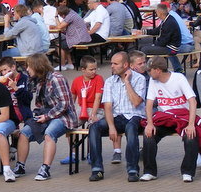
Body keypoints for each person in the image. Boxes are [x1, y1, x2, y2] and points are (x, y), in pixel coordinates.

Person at [14, 53, 79, 181]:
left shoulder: (56, 78)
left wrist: (47, 117)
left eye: (29, 66)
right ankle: (20, 166)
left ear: (38, 66)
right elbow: (35, 100)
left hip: (63, 116)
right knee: (24, 133)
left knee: (49, 133)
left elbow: (64, 104)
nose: (27, 69)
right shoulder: (38, 79)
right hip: (45, 115)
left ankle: (45, 169)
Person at [86, 52, 146, 182]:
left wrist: (127, 82)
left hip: (135, 116)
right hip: (117, 117)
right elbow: (108, 106)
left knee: (131, 127)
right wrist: (112, 127)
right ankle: (97, 169)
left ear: (125, 65)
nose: (111, 66)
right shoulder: (109, 81)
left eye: (115, 63)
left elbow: (136, 102)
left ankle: (132, 169)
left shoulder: (139, 79)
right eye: (111, 63)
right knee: (94, 127)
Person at [141, 56, 199, 182]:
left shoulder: (179, 78)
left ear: (157, 70)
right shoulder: (153, 81)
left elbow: (192, 101)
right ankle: (150, 171)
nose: (148, 73)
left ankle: (187, 172)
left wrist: (191, 124)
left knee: (191, 136)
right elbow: (149, 104)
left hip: (181, 117)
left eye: (149, 70)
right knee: (149, 135)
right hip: (165, 118)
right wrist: (150, 124)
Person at [141, 3, 193, 73]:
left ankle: (146, 71)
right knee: (146, 48)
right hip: (172, 46)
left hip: (172, 48)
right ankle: (178, 69)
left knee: (145, 49)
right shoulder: (168, 19)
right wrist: (143, 32)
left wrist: (154, 44)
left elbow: (163, 41)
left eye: (156, 12)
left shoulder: (169, 23)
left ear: (160, 12)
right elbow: (157, 30)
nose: (156, 14)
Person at [54, 5, 92, 70]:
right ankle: (70, 63)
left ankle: (62, 65)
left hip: (79, 39)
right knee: (65, 43)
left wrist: (56, 17)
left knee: (59, 44)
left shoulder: (70, 16)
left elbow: (59, 27)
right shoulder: (72, 13)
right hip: (83, 37)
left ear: (62, 15)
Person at [70, 56, 104, 125]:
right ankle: (72, 135)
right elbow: (72, 98)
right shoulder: (76, 81)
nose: (94, 71)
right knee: (71, 123)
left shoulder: (99, 79)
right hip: (82, 108)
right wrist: (70, 113)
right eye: (91, 70)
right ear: (83, 69)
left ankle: (90, 133)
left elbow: (98, 98)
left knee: (93, 124)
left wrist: (93, 114)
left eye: (95, 69)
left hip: (96, 109)